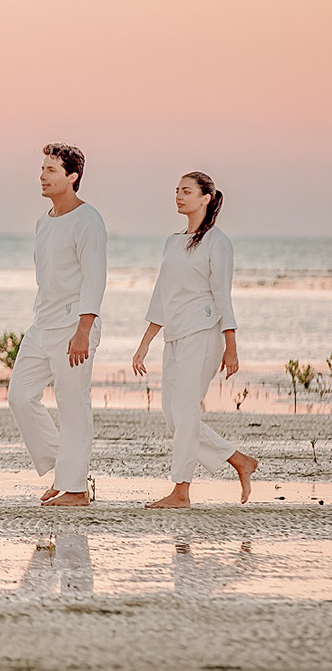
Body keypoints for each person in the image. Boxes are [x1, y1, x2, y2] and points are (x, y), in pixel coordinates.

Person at [132, 171, 258, 509]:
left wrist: (231, 345)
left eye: (186, 191)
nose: (179, 196)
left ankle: (181, 491)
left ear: (206, 198)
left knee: (185, 413)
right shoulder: (172, 242)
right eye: (176, 190)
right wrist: (145, 342)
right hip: (174, 334)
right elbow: (162, 295)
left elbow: (222, 295)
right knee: (173, 416)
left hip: (204, 333)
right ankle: (239, 461)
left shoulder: (219, 242)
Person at [8, 143, 107, 506]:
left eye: (51, 170)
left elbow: (95, 279)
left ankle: (76, 489)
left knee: (73, 406)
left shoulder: (89, 221)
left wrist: (83, 331)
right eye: (42, 169)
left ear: (72, 177)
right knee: (19, 396)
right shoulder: (43, 222)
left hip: (73, 328)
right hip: (42, 325)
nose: (42, 176)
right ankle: (65, 469)